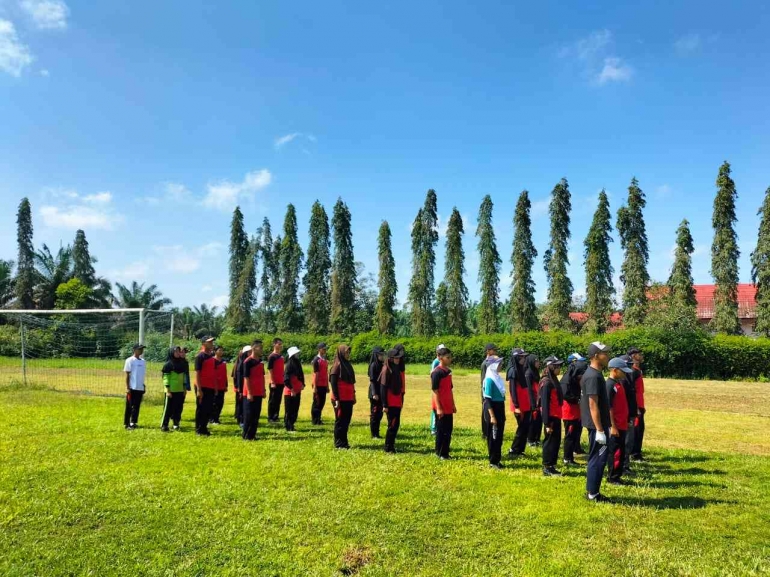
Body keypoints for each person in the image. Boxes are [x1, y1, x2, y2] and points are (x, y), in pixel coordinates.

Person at [580, 341, 612, 502]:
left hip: (600, 424)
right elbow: (593, 405)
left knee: (599, 457)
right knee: (597, 458)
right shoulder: (592, 376)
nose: (608, 356)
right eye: (604, 353)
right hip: (596, 426)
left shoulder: (596, 373)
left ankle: (593, 491)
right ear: (595, 356)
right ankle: (593, 493)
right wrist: (600, 430)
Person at [606, 357, 634, 485]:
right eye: (623, 371)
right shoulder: (610, 385)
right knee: (615, 452)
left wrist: (627, 420)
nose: (625, 373)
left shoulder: (619, 384)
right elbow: (609, 408)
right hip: (615, 426)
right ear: (615, 370)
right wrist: (613, 426)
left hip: (622, 423)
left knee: (621, 451)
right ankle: (613, 477)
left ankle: (617, 474)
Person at [560, 353, 588, 466]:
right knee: (570, 435)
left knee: (576, 432)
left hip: (576, 408)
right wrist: (577, 399)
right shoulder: (566, 380)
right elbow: (565, 395)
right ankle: (567, 458)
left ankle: (574, 450)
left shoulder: (574, 379)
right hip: (569, 410)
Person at [540, 356, 565, 476]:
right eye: (557, 366)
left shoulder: (553, 380)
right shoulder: (546, 383)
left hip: (556, 415)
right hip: (550, 417)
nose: (559, 369)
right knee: (549, 442)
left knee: (555, 441)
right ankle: (547, 466)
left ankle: (552, 465)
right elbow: (544, 404)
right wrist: (546, 423)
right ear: (551, 367)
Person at [330, 344, 356, 449]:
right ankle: (338, 443)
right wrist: (336, 399)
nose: (348, 354)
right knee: (340, 421)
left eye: (349, 352)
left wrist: (353, 395)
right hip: (340, 399)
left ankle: (344, 442)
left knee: (346, 421)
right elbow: (333, 383)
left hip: (348, 398)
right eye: (346, 352)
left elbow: (351, 382)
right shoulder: (336, 365)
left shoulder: (347, 365)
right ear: (341, 352)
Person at [380, 347, 405, 453]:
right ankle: (388, 447)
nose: (398, 360)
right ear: (390, 358)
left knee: (396, 424)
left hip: (396, 400)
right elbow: (383, 388)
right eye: (396, 358)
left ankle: (391, 445)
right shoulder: (386, 369)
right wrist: (385, 405)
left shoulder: (396, 368)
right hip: (390, 402)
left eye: (399, 358)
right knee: (392, 424)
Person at [432, 346, 456, 460]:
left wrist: (453, 404)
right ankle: (440, 452)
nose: (450, 359)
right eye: (448, 357)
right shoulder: (436, 373)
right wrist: (439, 408)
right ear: (440, 358)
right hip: (440, 406)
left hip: (448, 406)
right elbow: (435, 391)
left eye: (450, 357)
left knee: (448, 430)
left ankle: (445, 452)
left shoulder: (448, 371)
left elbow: (450, 389)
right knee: (441, 431)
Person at [507, 348, 532, 456]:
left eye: (525, 356)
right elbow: (512, 389)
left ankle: (520, 450)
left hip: (525, 403)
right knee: (521, 428)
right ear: (516, 358)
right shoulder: (513, 370)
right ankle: (514, 449)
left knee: (526, 427)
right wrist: (516, 406)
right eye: (522, 357)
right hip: (519, 405)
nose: (524, 359)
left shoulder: (521, 369)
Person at [483, 355, 506, 469]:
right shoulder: (489, 380)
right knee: (493, 437)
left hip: (500, 407)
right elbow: (487, 400)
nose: (501, 365)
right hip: (493, 410)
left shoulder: (497, 377)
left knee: (499, 436)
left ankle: (497, 459)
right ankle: (493, 461)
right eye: (499, 364)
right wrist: (492, 416)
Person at [241, 340, 265, 441]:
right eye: (260, 347)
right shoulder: (247, 361)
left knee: (256, 414)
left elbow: (262, 377)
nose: (261, 350)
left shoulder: (260, 362)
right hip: (250, 393)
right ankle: (246, 435)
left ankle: (252, 435)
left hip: (259, 391)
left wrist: (263, 390)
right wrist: (249, 393)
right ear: (254, 348)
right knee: (249, 415)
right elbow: (246, 378)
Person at [194, 336, 217, 436]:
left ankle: (204, 427)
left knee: (208, 408)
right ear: (203, 343)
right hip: (202, 386)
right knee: (201, 408)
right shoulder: (200, 356)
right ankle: (199, 429)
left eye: (212, 342)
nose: (212, 344)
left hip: (210, 386)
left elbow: (213, 373)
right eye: (209, 342)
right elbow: (197, 373)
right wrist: (199, 389)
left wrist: (215, 387)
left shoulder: (211, 356)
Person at [160, 346, 186, 432]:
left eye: (179, 351)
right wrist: (168, 390)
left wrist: (184, 389)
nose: (178, 353)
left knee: (178, 408)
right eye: (176, 351)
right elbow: (165, 378)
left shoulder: (182, 363)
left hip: (180, 390)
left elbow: (184, 377)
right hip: (171, 391)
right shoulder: (168, 364)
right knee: (168, 409)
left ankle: (176, 424)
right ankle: (164, 425)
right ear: (172, 353)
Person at [628, 347, 647, 462]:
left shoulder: (637, 370)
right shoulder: (633, 371)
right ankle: (635, 453)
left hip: (640, 404)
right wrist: (635, 407)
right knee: (637, 430)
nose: (641, 356)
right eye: (639, 354)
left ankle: (636, 452)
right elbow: (631, 390)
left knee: (640, 429)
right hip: (637, 405)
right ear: (634, 356)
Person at [123, 343, 146, 429]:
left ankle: (133, 422)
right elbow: (127, 375)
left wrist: (143, 385)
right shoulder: (130, 360)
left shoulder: (143, 361)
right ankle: (127, 423)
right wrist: (128, 387)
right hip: (132, 387)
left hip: (140, 387)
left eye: (142, 349)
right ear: (134, 350)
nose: (141, 350)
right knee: (130, 406)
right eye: (139, 349)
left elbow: (141, 375)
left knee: (137, 406)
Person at [283, 346, 304, 432]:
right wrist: (292, 389)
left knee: (295, 408)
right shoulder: (289, 365)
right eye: (296, 353)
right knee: (289, 409)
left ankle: (292, 424)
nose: (297, 354)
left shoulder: (297, 362)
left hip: (297, 389)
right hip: (290, 391)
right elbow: (286, 379)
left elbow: (301, 375)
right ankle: (288, 426)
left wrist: (302, 384)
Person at [480, 343, 498, 437]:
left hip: (492, 390)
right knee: (486, 411)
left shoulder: (492, 362)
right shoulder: (485, 364)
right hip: (486, 391)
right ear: (488, 351)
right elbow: (484, 380)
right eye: (493, 350)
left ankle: (490, 430)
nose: (495, 352)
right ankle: (485, 433)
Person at [368, 346, 385, 438]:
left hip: (380, 392)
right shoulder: (373, 365)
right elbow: (372, 380)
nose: (382, 356)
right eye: (381, 354)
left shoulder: (381, 364)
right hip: (374, 393)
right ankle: (373, 433)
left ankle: (377, 432)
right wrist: (374, 393)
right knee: (374, 413)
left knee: (380, 413)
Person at [525, 354, 543, 447]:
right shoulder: (528, 373)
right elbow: (529, 390)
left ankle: (537, 438)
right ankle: (530, 439)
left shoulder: (536, 372)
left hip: (538, 399)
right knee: (533, 420)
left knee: (539, 420)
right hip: (533, 401)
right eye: (536, 361)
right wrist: (533, 404)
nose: (538, 363)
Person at [232, 345, 251, 428]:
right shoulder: (241, 363)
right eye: (249, 352)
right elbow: (239, 378)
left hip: (246, 387)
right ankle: (240, 420)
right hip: (241, 388)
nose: (251, 353)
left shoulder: (249, 362)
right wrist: (239, 389)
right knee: (240, 404)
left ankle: (245, 419)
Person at [266, 338, 285, 423]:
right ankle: (270, 417)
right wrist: (272, 381)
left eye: (281, 344)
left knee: (278, 400)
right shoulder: (272, 356)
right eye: (279, 344)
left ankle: (276, 416)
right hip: (274, 382)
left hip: (281, 381)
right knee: (273, 400)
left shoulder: (281, 356)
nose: (280, 346)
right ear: (274, 345)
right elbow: (270, 369)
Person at [310, 343, 329, 425]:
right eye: (323, 349)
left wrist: (327, 385)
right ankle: (315, 420)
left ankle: (319, 418)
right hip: (318, 385)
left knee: (322, 402)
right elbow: (315, 374)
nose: (325, 350)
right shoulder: (316, 360)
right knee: (316, 403)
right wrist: (315, 386)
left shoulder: (324, 360)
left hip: (324, 384)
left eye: (325, 349)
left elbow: (326, 373)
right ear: (319, 349)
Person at [430, 343, 445, 436]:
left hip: (442, 390)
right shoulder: (436, 362)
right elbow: (432, 374)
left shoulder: (443, 361)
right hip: (436, 389)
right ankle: (433, 428)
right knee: (435, 408)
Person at [210, 346, 228, 425]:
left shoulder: (224, 361)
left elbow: (225, 373)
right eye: (219, 350)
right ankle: (212, 419)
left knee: (220, 402)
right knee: (214, 403)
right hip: (215, 385)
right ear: (215, 351)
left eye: (222, 350)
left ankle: (216, 418)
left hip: (222, 385)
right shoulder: (213, 361)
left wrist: (226, 384)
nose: (221, 352)